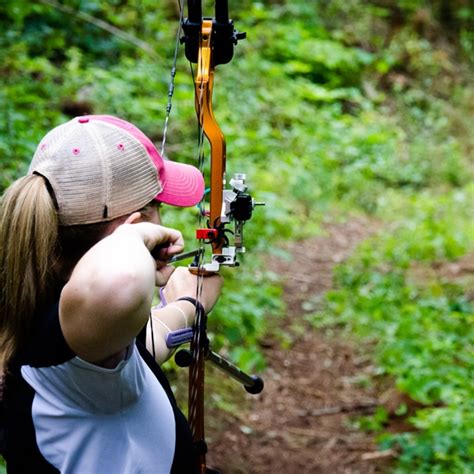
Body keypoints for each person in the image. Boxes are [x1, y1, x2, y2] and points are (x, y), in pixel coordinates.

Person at [0, 115, 223, 473]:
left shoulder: (63, 319)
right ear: (135, 226)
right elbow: (116, 289)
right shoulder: (63, 332)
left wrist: (187, 306)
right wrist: (135, 237)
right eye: (157, 208)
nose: (163, 221)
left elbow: (139, 348)